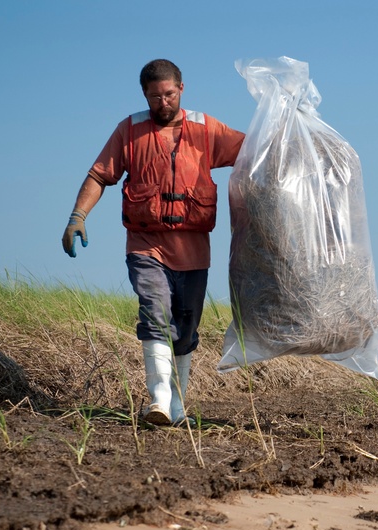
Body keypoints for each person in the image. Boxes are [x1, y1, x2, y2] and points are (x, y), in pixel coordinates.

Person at [62, 59, 245, 426]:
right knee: (155, 312)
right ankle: (158, 399)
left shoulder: (206, 129)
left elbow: (257, 152)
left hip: (194, 253)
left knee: (186, 327)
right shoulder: (129, 131)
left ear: (181, 88)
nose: (163, 102)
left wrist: (294, 132)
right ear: (145, 95)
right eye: (155, 96)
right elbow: (99, 175)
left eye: (169, 94)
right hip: (146, 246)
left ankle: (176, 408)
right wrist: (77, 216)